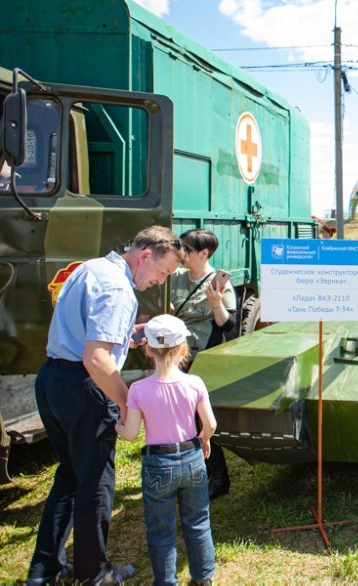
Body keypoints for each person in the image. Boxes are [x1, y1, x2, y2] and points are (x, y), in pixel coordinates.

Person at [28, 226, 184, 585]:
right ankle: (94, 571)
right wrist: (128, 403)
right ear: (145, 255)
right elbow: (97, 358)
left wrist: (127, 334)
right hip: (85, 389)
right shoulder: (118, 289)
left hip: (52, 380)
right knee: (96, 483)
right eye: (162, 273)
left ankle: (43, 570)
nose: (160, 282)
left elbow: (86, 332)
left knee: (69, 476)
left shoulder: (93, 267)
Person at [116, 315, 217, 586]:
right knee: (197, 521)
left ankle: (166, 581)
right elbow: (210, 424)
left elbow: (130, 434)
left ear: (148, 350)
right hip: (192, 457)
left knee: (161, 530)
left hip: (158, 464)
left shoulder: (137, 389)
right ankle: (203, 577)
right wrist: (204, 439)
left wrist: (116, 424)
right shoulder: (195, 383)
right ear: (183, 348)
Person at [172, 228, 237, 499]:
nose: (181, 253)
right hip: (174, 357)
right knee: (177, 418)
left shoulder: (218, 283)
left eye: (186, 248)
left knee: (200, 419)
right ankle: (188, 471)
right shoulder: (174, 278)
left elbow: (230, 327)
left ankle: (218, 477)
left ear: (203, 253)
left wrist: (216, 305)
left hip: (201, 358)